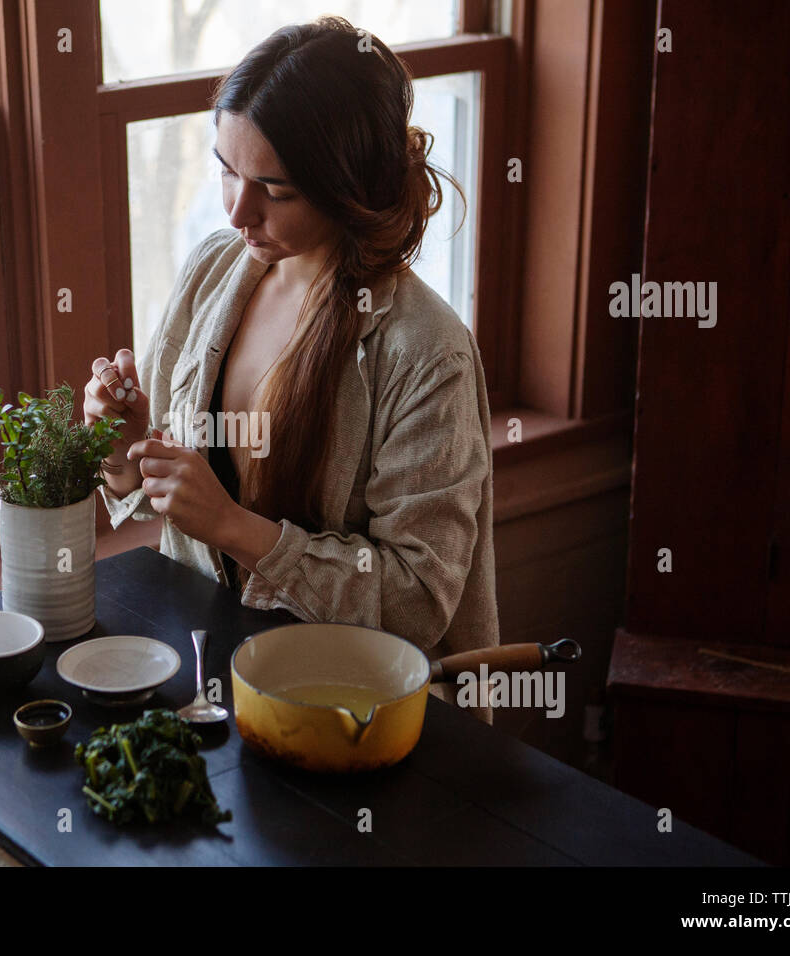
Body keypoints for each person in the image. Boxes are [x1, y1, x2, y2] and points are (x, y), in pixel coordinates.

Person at [82, 16, 499, 719]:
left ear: (348, 190)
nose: (239, 211)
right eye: (225, 169)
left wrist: (237, 527)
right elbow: (149, 490)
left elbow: (417, 601)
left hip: (354, 718)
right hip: (210, 691)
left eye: (275, 190)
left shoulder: (426, 353)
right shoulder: (214, 271)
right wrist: (126, 448)